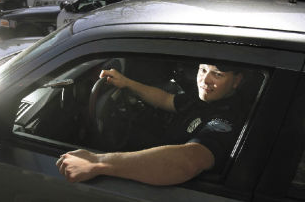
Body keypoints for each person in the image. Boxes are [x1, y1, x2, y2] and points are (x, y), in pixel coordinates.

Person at [56, 63, 244, 185]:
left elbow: (190, 160)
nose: (205, 80)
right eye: (203, 70)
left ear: (236, 81)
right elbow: (166, 99)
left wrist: (97, 162)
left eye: (217, 74)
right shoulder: (205, 99)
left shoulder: (227, 117)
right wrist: (127, 82)